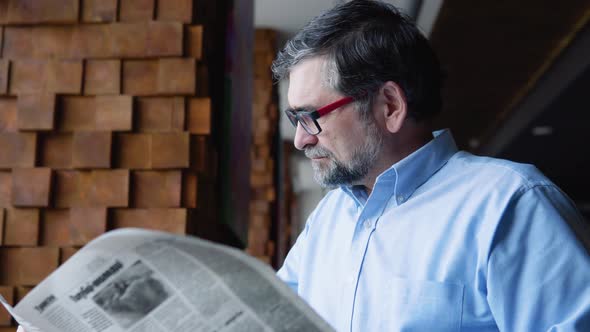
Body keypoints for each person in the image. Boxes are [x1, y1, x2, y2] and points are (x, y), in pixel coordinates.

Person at [272, 1, 590, 331]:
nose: (300, 140)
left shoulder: (509, 204)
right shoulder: (329, 217)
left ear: (390, 106)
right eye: (295, 119)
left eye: (310, 117)